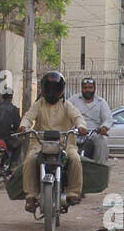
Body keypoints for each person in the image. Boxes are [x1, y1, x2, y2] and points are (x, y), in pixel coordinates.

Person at [19, 71, 87, 212]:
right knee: (30, 160)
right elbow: (28, 117)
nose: (52, 92)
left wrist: (81, 127)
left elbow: (78, 117)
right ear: (43, 90)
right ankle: (30, 196)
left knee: (75, 158)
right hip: (40, 142)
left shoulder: (67, 105)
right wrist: (23, 126)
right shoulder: (39, 104)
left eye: (55, 89)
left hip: (64, 142)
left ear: (61, 90)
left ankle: (73, 193)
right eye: (49, 88)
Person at [67, 77, 112, 162]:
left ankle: (99, 167)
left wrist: (104, 128)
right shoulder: (73, 100)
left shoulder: (101, 102)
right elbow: (64, 112)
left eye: (90, 88)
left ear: (94, 88)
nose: (87, 90)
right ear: (81, 89)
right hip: (75, 133)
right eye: (85, 88)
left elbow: (108, 118)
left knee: (102, 141)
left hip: (93, 134)